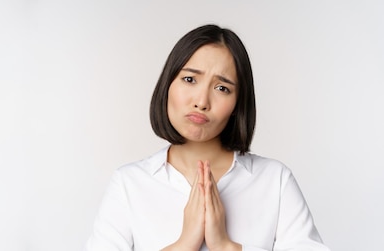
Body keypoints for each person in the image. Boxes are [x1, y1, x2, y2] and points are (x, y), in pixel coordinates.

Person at [85, 24, 330, 251]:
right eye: (189, 79)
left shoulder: (275, 181)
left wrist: (225, 247)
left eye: (222, 88)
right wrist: (182, 245)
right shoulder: (129, 184)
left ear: (237, 103)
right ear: (167, 84)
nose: (201, 102)